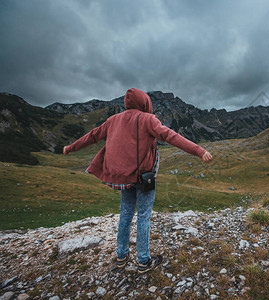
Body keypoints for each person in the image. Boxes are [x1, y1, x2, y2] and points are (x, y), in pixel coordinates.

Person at [63, 88, 212, 273]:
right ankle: (143, 261)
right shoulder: (148, 119)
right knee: (143, 216)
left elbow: (92, 136)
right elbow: (171, 136)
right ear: (144, 102)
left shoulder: (113, 120)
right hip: (143, 178)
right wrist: (199, 151)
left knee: (125, 214)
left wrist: (70, 148)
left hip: (123, 177)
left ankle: (121, 256)